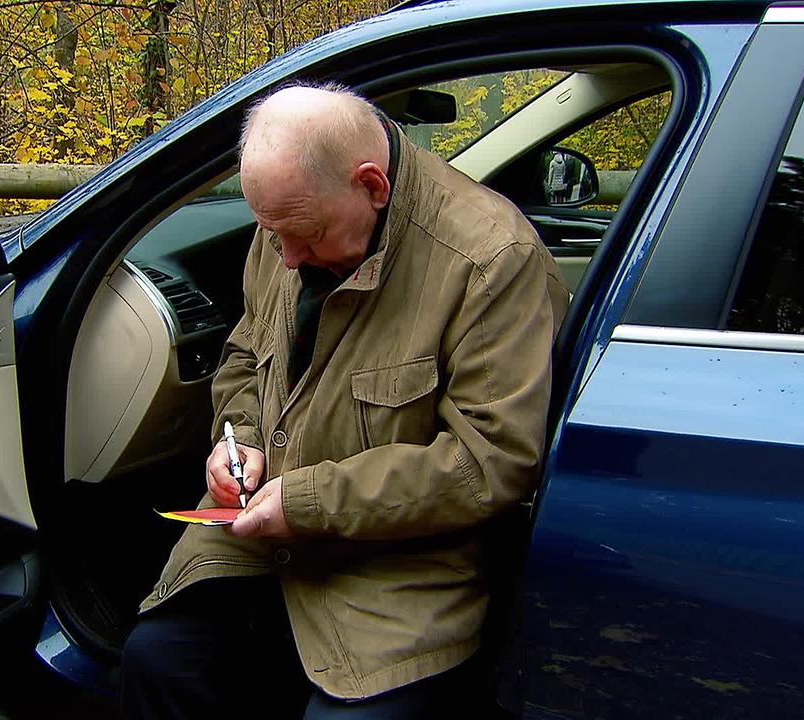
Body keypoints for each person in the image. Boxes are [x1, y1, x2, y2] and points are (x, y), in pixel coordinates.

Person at [120, 82, 570, 719]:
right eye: (272, 234)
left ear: (372, 186)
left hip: (395, 568)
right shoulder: (288, 222)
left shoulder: (490, 259)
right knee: (157, 658)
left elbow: (490, 462)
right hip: (256, 539)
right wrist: (238, 437)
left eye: (306, 236)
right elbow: (246, 357)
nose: (288, 256)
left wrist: (307, 504)